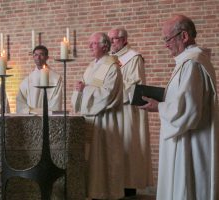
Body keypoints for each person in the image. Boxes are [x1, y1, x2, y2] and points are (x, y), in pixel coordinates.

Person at [140, 14, 219, 200]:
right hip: (189, 138)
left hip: (190, 141)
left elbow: (187, 110)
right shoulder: (189, 61)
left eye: (168, 39)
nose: (165, 44)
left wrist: (159, 107)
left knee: (186, 187)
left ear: (183, 36)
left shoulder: (192, 63)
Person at [71, 32, 124, 199]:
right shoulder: (91, 66)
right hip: (90, 120)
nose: (89, 47)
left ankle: (106, 194)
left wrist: (85, 89)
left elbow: (108, 94)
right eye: (90, 43)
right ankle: (93, 193)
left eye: (93, 43)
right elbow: (83, 88)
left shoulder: (112, 67)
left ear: (104, 46)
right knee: (92, 159)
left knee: (104, 159)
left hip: (105, 120)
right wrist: (79, 89)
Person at [108, 28, 153, 196]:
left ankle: (128, 189)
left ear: (124, 40)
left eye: (115, 39)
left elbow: (136, 85)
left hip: (127, 110)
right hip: (112, 110)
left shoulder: (133, 58)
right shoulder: (110, 59)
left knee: (128, 147)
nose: (111, 42)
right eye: (110, 39)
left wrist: (112, 90)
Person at [16, 45, 62, 114]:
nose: (38, 57)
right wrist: (28, 111)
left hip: (48, 117)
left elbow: (56, 102)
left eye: (41, 55)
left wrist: (46, 113)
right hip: (31, 117)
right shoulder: (28, 79)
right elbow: (20, 100)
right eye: (36, 55)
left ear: (47, 57)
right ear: (33, 57)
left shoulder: (56, 78)